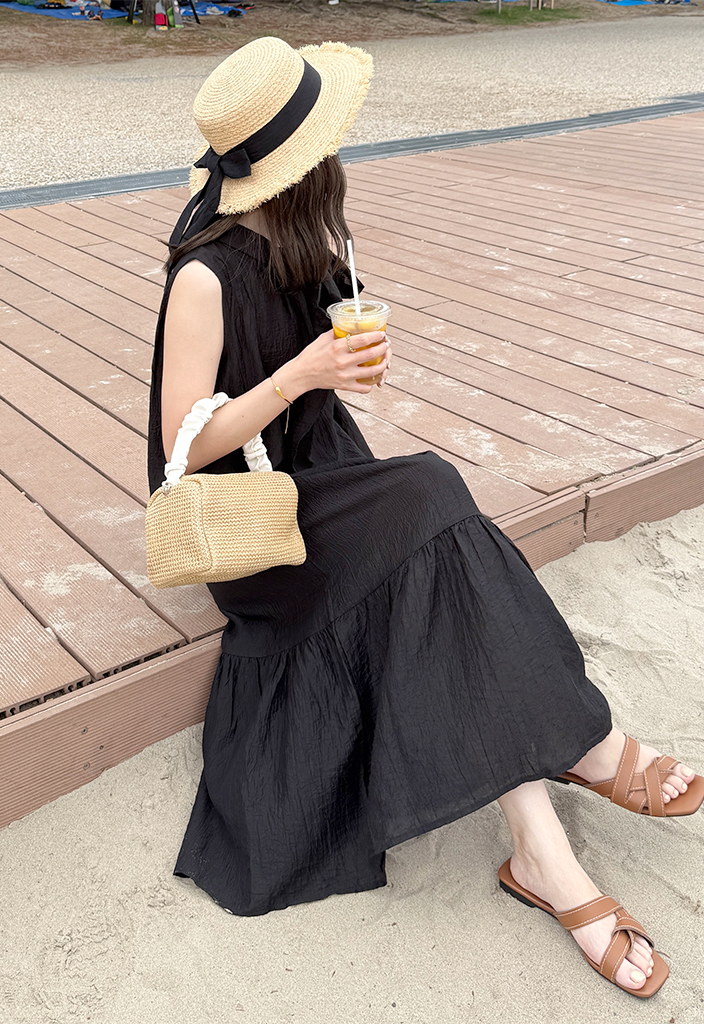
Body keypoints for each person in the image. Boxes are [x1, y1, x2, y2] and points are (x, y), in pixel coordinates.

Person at [147, 36, 702, 998]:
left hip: (328, 477)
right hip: (252, 517)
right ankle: (583, 755)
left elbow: (330, 381)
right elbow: (183, 447)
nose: (336, 155)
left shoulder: (308, 243)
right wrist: (299, 375)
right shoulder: (205, 277)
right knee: (434, 501)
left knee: (437, 550)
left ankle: (541, 848)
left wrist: (346, 358)